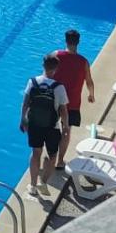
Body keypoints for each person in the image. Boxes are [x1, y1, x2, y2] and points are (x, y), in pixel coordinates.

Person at [19, 51, 70, 199]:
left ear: (43, 65)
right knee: (52, 155)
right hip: (52, 127)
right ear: (56, 69)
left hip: (34, 125)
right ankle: (44, 181)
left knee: (36, 153)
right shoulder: (59, 87)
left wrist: (22, 119)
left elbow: (25, 103)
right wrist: (66, 127)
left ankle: (32, 186)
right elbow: (63, 110)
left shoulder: (32, 82)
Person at [51, 30, 96, 170]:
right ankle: (60, 161)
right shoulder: (83, 62)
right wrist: (91, 94)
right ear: (78, 42)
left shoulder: (56, 55)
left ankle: (50, 156)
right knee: (66, 131)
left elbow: (46, 74)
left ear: (66, 40)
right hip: (72, 103)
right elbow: (89, 81)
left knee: (49, 128)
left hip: (54, 100)